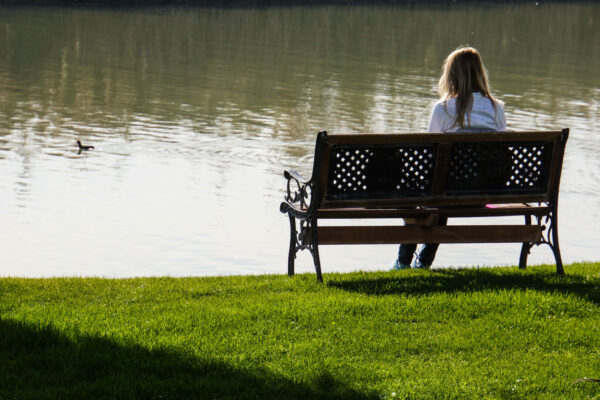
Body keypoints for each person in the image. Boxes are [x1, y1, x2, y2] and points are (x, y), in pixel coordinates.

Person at [392, 46, 507, 270]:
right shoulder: (497, 108)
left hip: (446, 192)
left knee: (428, 192)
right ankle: (421, 261)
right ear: (480, 74)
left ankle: (404, 261)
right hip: (482, 193)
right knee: (441, 191)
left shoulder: (443, 109)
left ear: (451, 75)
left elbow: (430, 157)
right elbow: (497, 157)